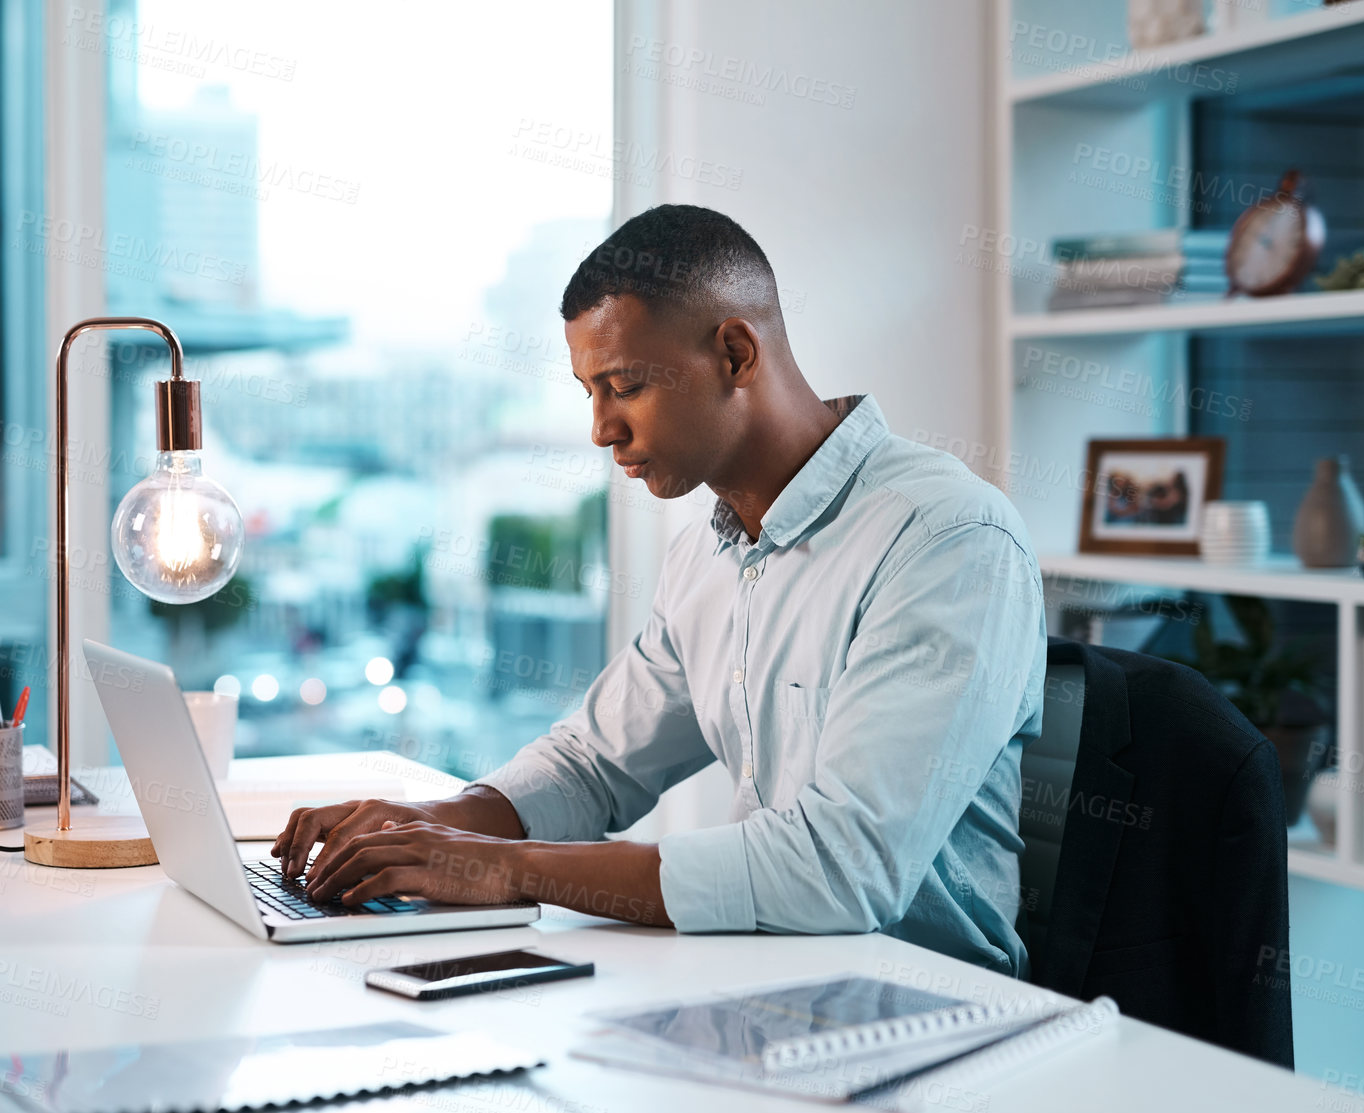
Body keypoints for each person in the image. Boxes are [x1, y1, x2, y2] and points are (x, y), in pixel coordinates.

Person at [274, 204, 1045, 975]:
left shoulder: (946, 538)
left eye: (625, 385)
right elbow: (593, 764)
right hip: (762, 979)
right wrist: (424, 826)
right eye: (589, 393)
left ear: (735, 354)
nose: (601, 429)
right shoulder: (706, 556)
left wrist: (496, 866)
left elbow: (839, 869)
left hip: (928, 1008)